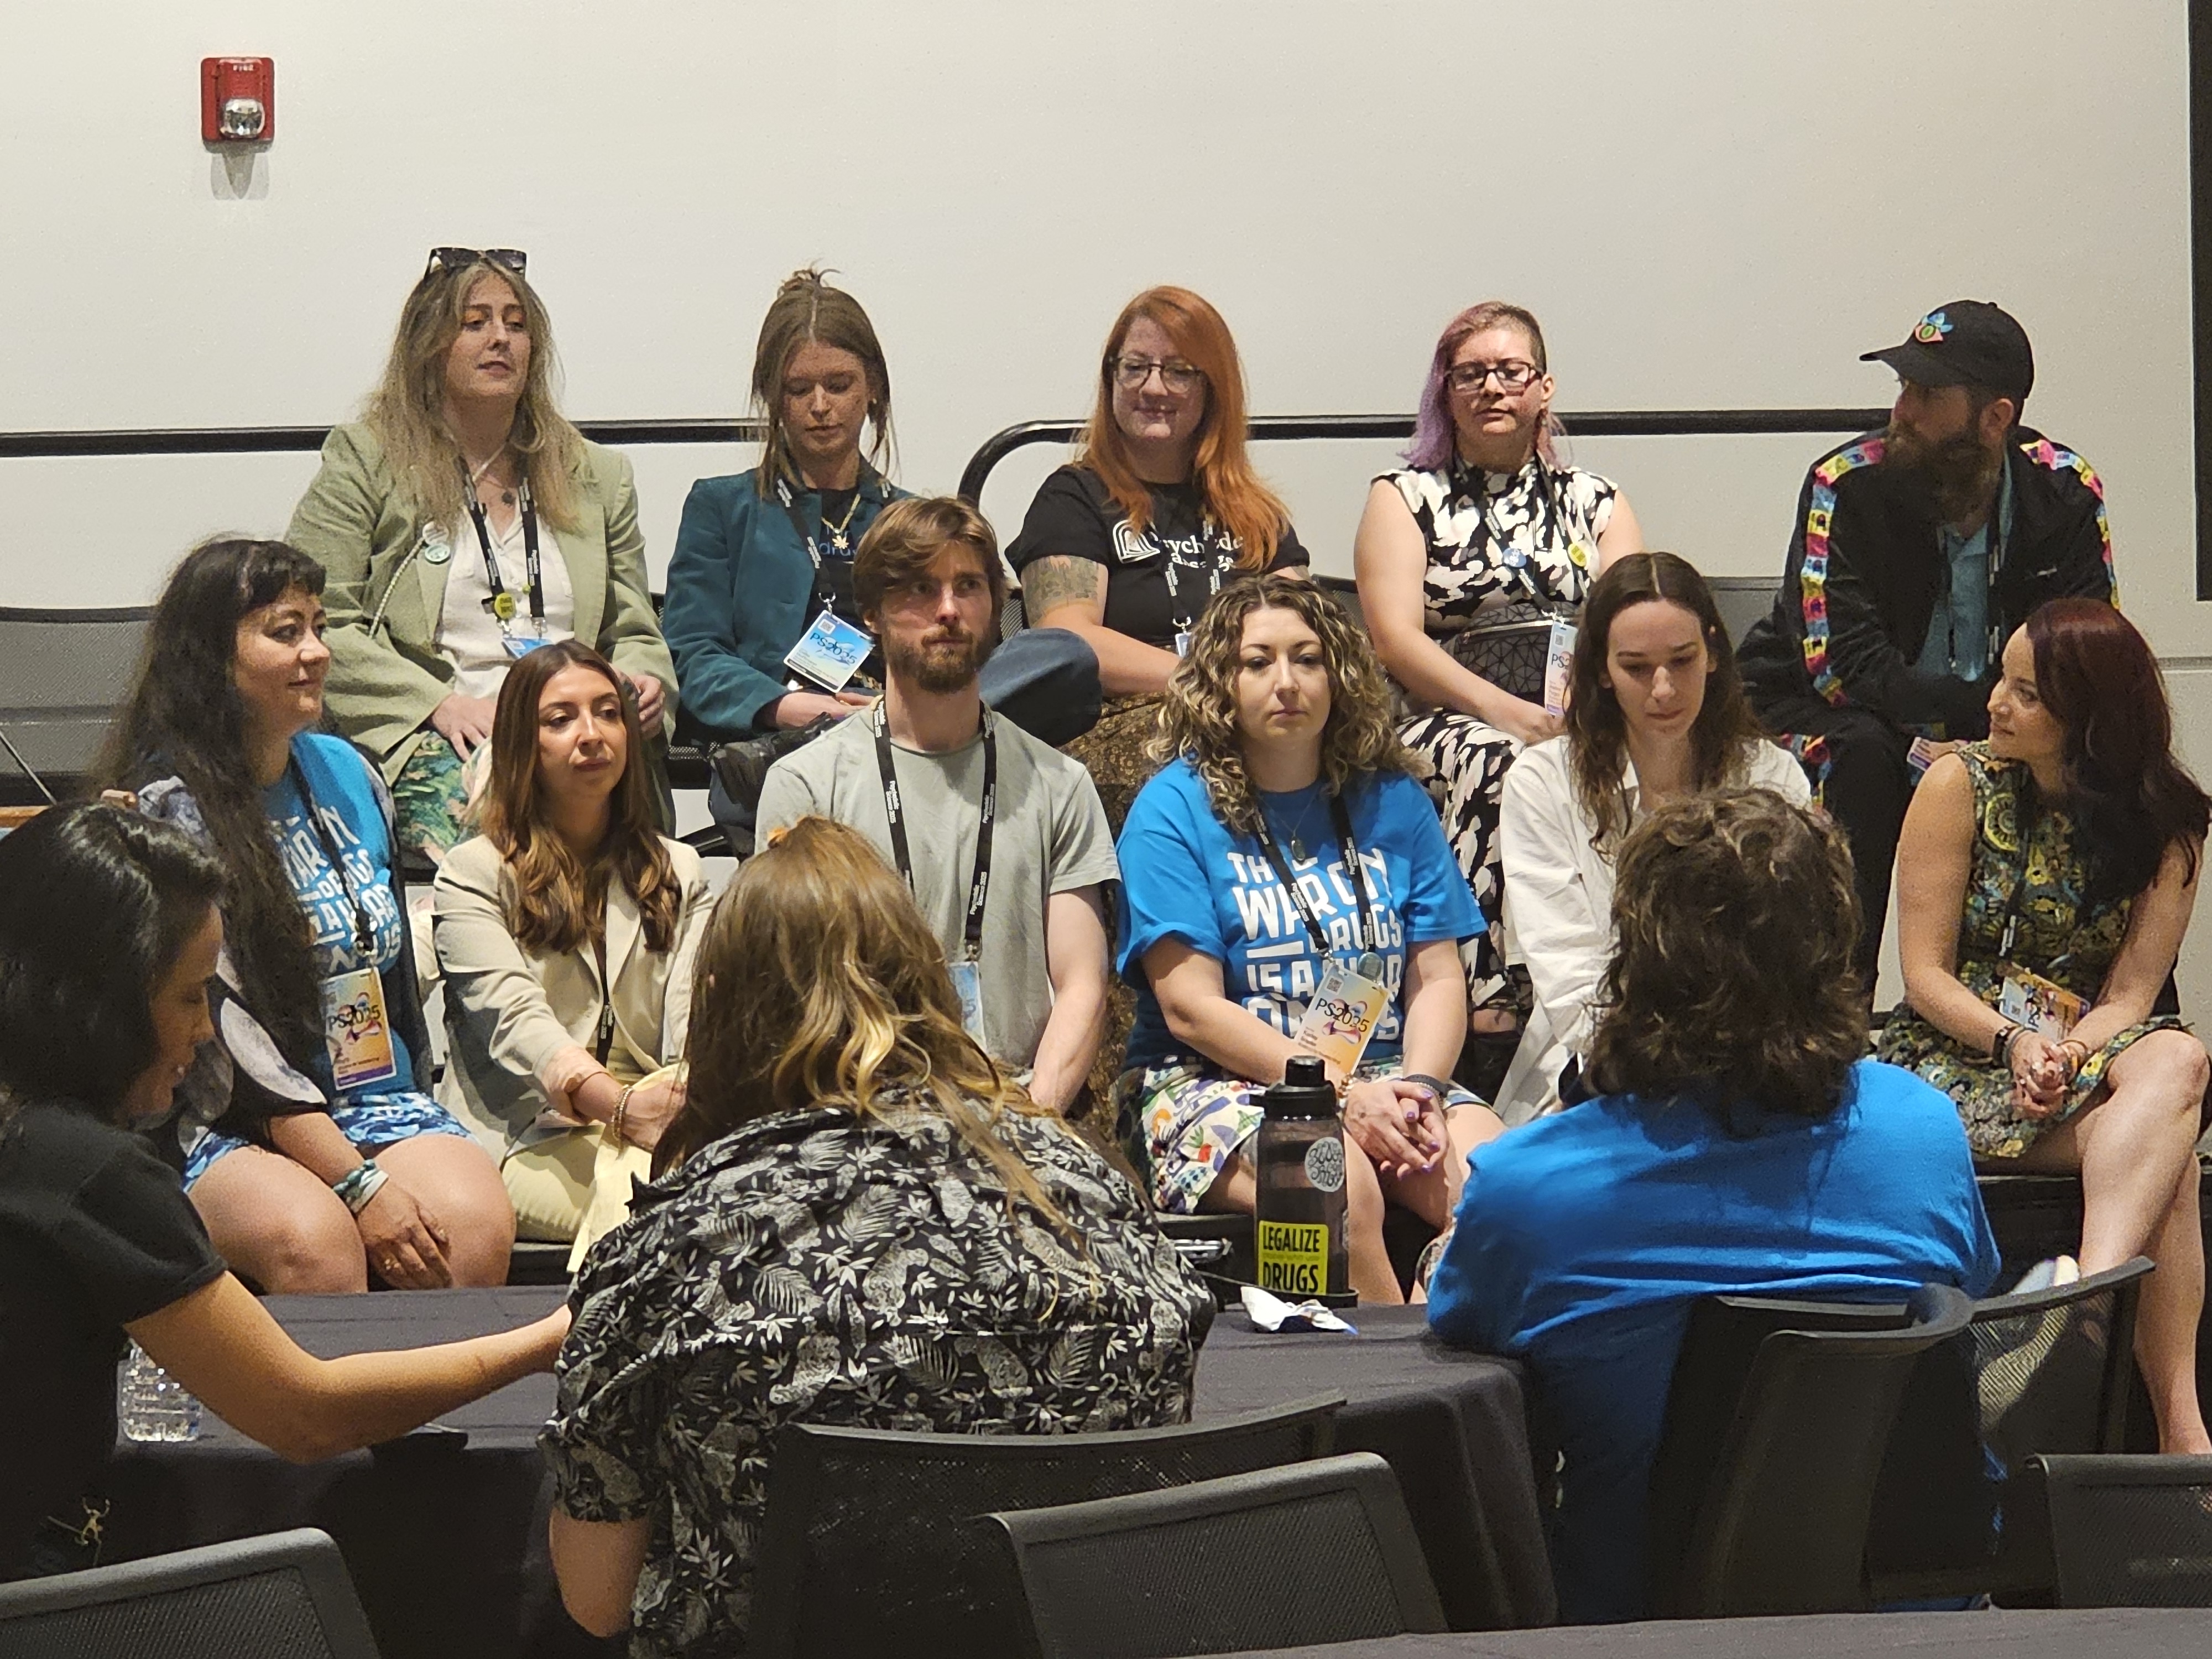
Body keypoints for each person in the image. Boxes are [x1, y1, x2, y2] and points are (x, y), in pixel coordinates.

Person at [541, 816, 1212, 1653]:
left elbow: (597, 1599)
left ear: (719, 1006)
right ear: (929, 987)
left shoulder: (677, 1243)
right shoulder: (1099, 1193)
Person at [1427, 789, 2000, 1623]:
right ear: (1834, 950)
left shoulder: (1530, 1188)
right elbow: (1965, 1289)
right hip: (1918, 1623)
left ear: (1633, 962)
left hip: (1634, 1631)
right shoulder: (1924, 1131)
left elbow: (1459, 1333)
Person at [0, 804, 568, 1583]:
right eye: (191, 996)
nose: (206, 1030)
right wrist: (546, 1341)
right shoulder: (92, 1175)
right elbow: (307, 1414)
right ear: (103, 1002)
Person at [105, 538, 514, 1293]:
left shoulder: (351, 773)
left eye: (319, 627)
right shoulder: (168, 811)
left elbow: (391, 981)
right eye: (285, 632)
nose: (317, 652)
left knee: (470, 1228)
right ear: (211, 656)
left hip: (367, 1093)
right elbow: (221, 1041)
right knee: (316, 1245)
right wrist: (358, 1183)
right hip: (225, 1114)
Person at [1878, 599, 2210, 1454]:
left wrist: (2064, 1054)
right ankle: (2180, 1431)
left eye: (2026, 694)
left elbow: (2132, 996)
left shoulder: (2170, 823)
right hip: (1956, 1052)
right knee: (2169, 1166)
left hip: (2079, 1054)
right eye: (2004, 679)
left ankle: (2076, 1302)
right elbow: (1923, 976)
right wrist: (2015, 1043)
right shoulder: (1957, 785)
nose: (1995, 702)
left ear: (2090, 718)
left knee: (2180, 1058)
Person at [1116, 572, 1504, 1305]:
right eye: (1257, 662)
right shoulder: (1173, 809)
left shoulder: (1392, 799)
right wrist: (1341, 1095)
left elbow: (1437, 978)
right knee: (1335, 1177)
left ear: (1340, 674)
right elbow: (1192, 1010)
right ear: (1220, 683)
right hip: (1211, 1082)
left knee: (1501, 1185)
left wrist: (1420, 1089)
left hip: (1386, 1073)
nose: (1287, 682)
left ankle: (1442, 1330)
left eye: (1308, 659)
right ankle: (1395, 1368)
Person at [1736, 301, 2115, 979]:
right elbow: (1840, 667)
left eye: (1927, 394)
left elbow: (2085, 657)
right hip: (1827, 713)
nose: (1902, 410)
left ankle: (2122, 1013)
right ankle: (1834, 1007)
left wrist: (1985, 739)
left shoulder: (2064, 491)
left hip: (1998, 723)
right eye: (1903, 386)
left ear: (1995, 418)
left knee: (2110, 759)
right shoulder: (1844, 484)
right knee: (1864, 759)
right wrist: (1953, 742)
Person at [286, 247, 676, 860]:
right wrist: (435, 704)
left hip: (571, 724)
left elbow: (633, 626)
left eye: (516, 325)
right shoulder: (368, 460)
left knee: (609, 819)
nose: (500, 339)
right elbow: (318, 617)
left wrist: (645, 679)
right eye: (475, 323)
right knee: (508, 831)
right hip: (447, 732)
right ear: (428, 345)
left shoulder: (596, 475)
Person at [755, 498, 1118, 1116]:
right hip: (860, 1110)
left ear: (994, 605)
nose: (948, 610)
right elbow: (795, 997)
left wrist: (1031, 1118)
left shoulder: (1060, 783)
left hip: (1021, 1104)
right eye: (921, 589)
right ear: (873, 613)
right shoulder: (806, 787)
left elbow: (1082, 984)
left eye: (968, 587)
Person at [1354, 300, 1644, 1044]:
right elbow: (1395, 640)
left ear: (1544, 387)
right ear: (1445, 392)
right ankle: (1491, 993)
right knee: (1504, 760)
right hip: (1442, 715)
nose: (1491, 388)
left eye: (1510, 372)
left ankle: (1630, 978)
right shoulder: (1404, 496)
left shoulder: (1597, 502)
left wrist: (1585, 713)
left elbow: (1635, 622)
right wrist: (1504, 712)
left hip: (1578, 711)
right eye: (1470, 374)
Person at [1496, 552, 1809, 1120]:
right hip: (1604, 1066)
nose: (1663, 689)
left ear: (1712, 654)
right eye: (1637, 668)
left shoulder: (1772, 775)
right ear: (1601, 671)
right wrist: (1661, 1069)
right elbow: (1570, 978)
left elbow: (1787, 953)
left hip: (1752, 1060)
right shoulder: (1542, 782)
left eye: (1682, 661)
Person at [433, 640, 713, 1245]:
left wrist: (680, 1106)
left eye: (608, 713)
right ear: (520, 745)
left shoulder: (681, 868)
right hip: (527, 1132)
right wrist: (621, 1109)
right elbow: (517, 1023)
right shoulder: (473, 873)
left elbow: (695, 1021)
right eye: (560, 720)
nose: (592, 735)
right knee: (668, 1218)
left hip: (658, 1120)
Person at [1006, 285, 1311, 829]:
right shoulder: (1074, 497)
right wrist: (1214, 682)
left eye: (1178, 371)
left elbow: (1310, 633)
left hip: (1255, 717)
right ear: (1111, 378)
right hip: (1125, 725)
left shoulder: (1255, 514)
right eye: (1135, 368)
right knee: (1203, 757)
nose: (1153, 387)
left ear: (1213, 388)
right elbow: (1068, 641)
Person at [662, 268, 907, 746]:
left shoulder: (911, 520)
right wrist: (780, 707)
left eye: (839, 385)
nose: (820, 405)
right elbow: (691, 653)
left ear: (873, 387)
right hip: (774, 743)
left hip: (896, 736)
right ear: (772, 396)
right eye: (798, 389)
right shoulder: (722, 509)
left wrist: (900, 711)